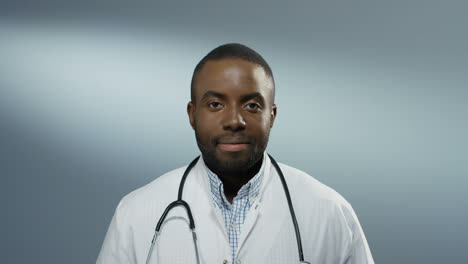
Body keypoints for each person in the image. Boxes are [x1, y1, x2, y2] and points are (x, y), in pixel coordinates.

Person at [96, 43, 375, 264]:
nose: (234, 121)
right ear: (193, 115)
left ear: (272, 116)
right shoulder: (136, 214)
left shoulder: (330, 213)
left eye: (252, 105)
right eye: (215, 104)